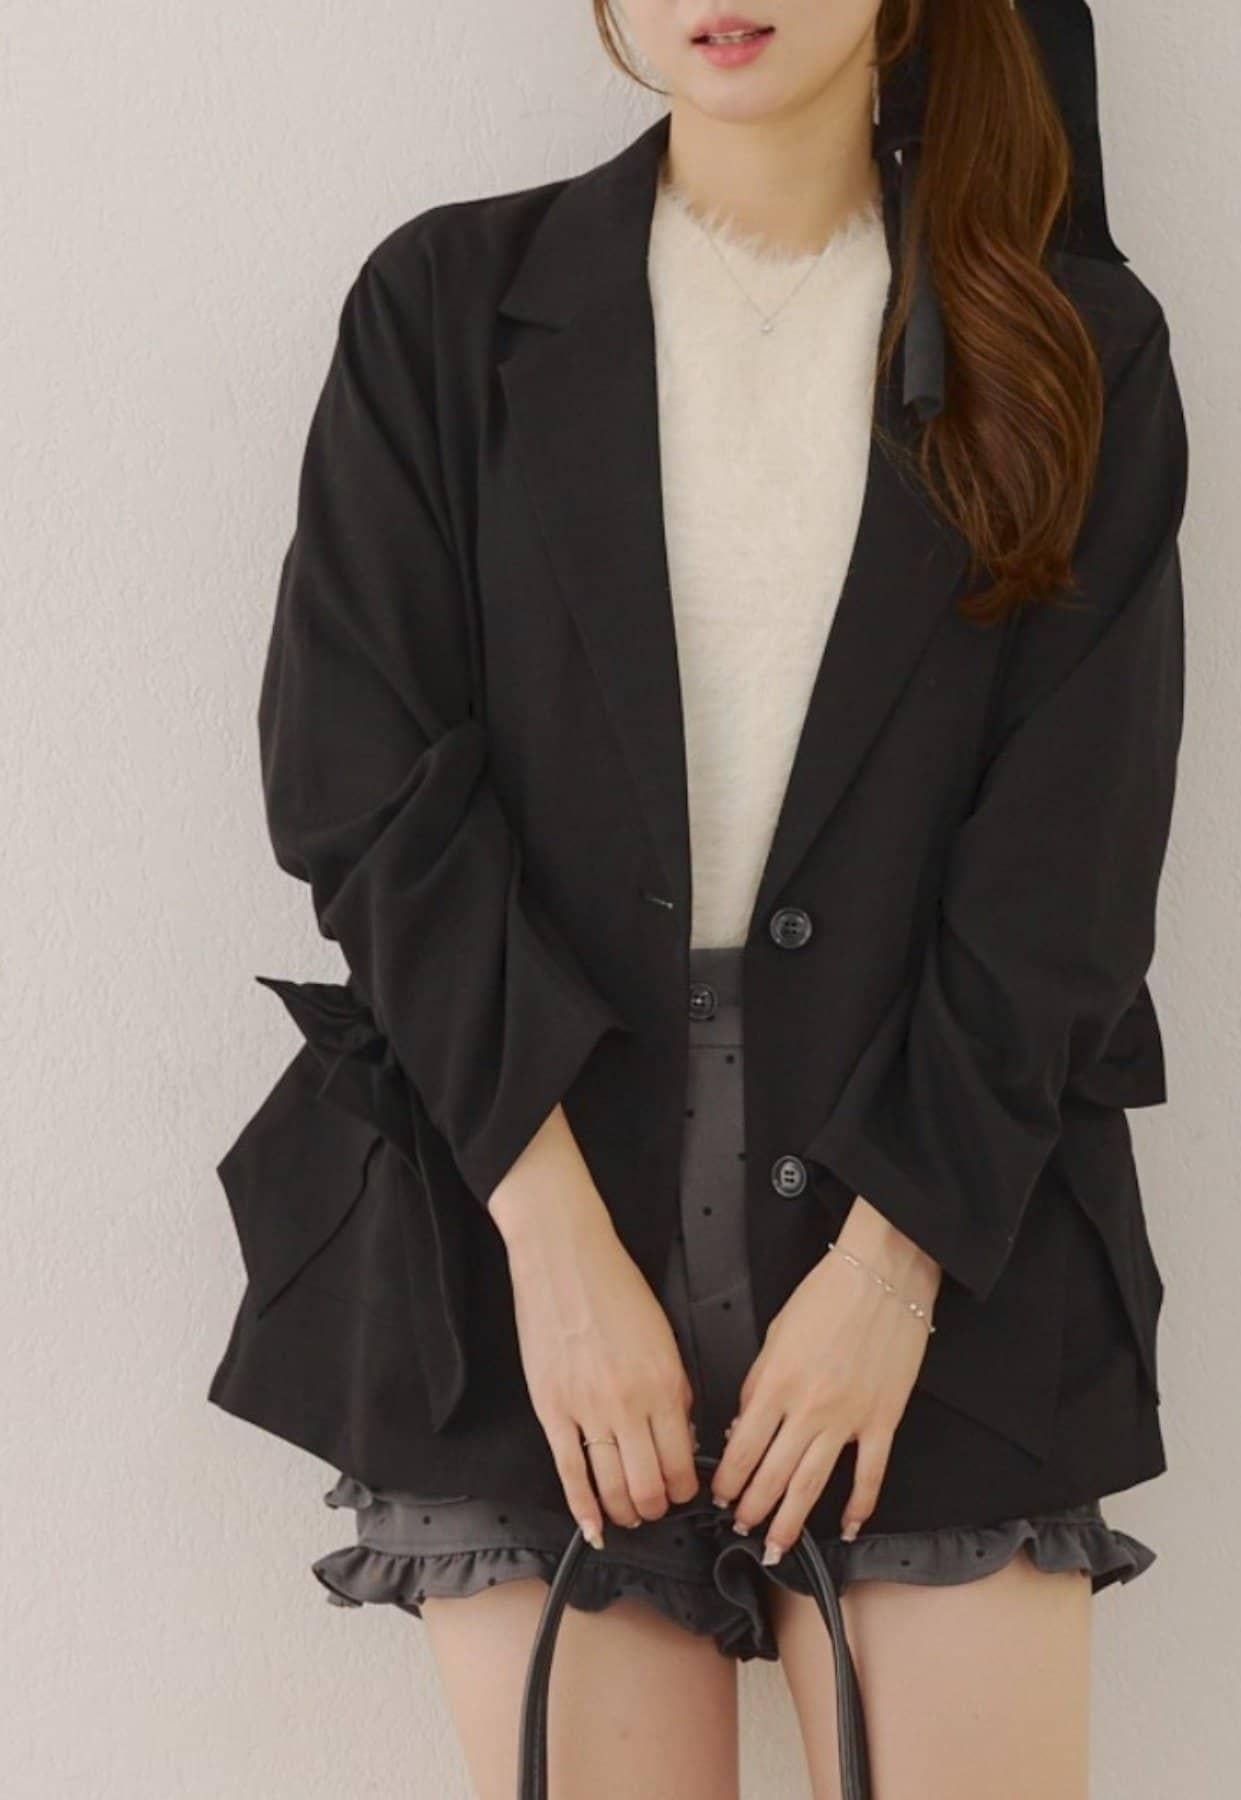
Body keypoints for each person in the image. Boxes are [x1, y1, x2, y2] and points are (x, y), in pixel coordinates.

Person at [208, 2, 1189, 1794]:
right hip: (521, 1205)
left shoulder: (1067, 345)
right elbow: (365, 784)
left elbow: (1070, 859)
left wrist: (889, 1274)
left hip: (938, 1195)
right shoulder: (444, 309)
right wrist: (558, 1248)